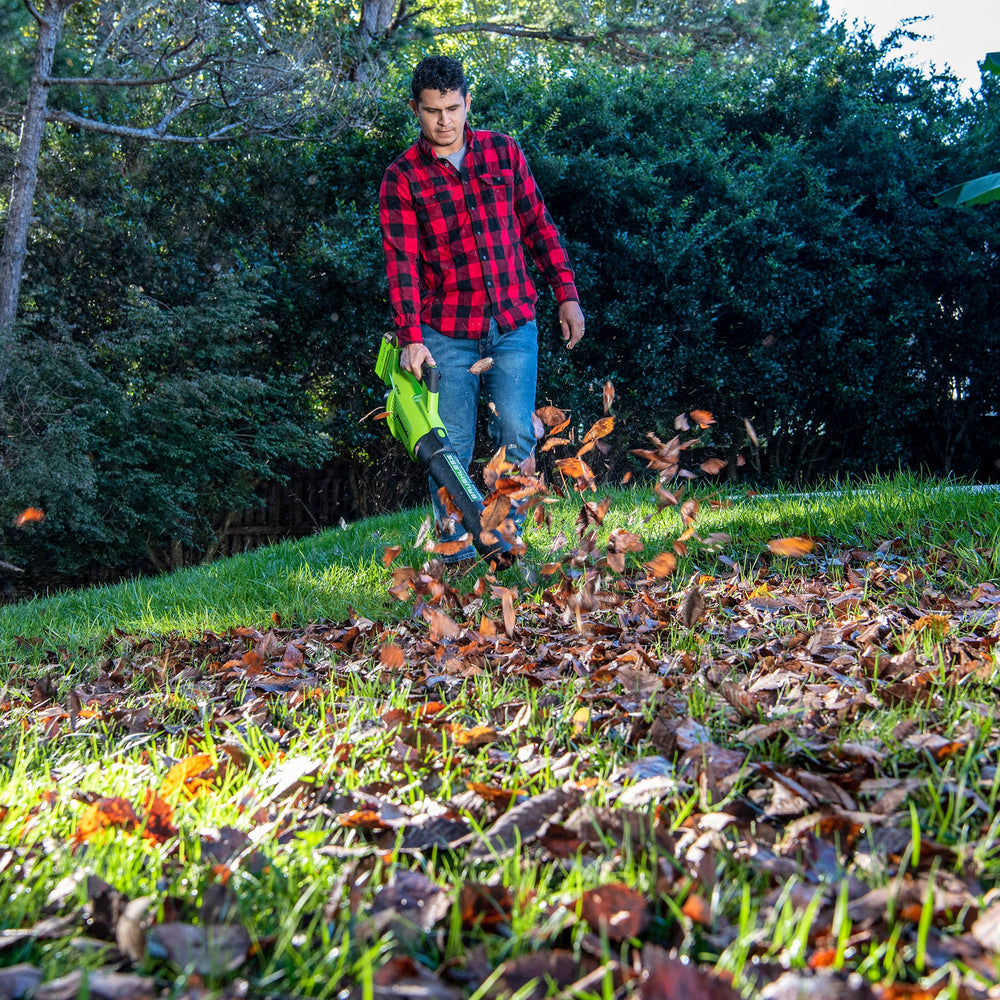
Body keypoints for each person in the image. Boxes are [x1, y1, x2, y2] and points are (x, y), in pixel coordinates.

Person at [379, 55, 585, 564]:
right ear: (416, 111)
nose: (444, 121)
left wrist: (566, 292)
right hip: (444, 331)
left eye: (453, 108)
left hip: (512, 321)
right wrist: (410, 335)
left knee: (516, 429)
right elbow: (400, 262)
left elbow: (538, 225)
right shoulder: (401, 178)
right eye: (432, 111)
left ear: (468, 103)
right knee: (449, 446)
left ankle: (505, 539)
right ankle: (452, 549)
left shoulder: (503, 153)